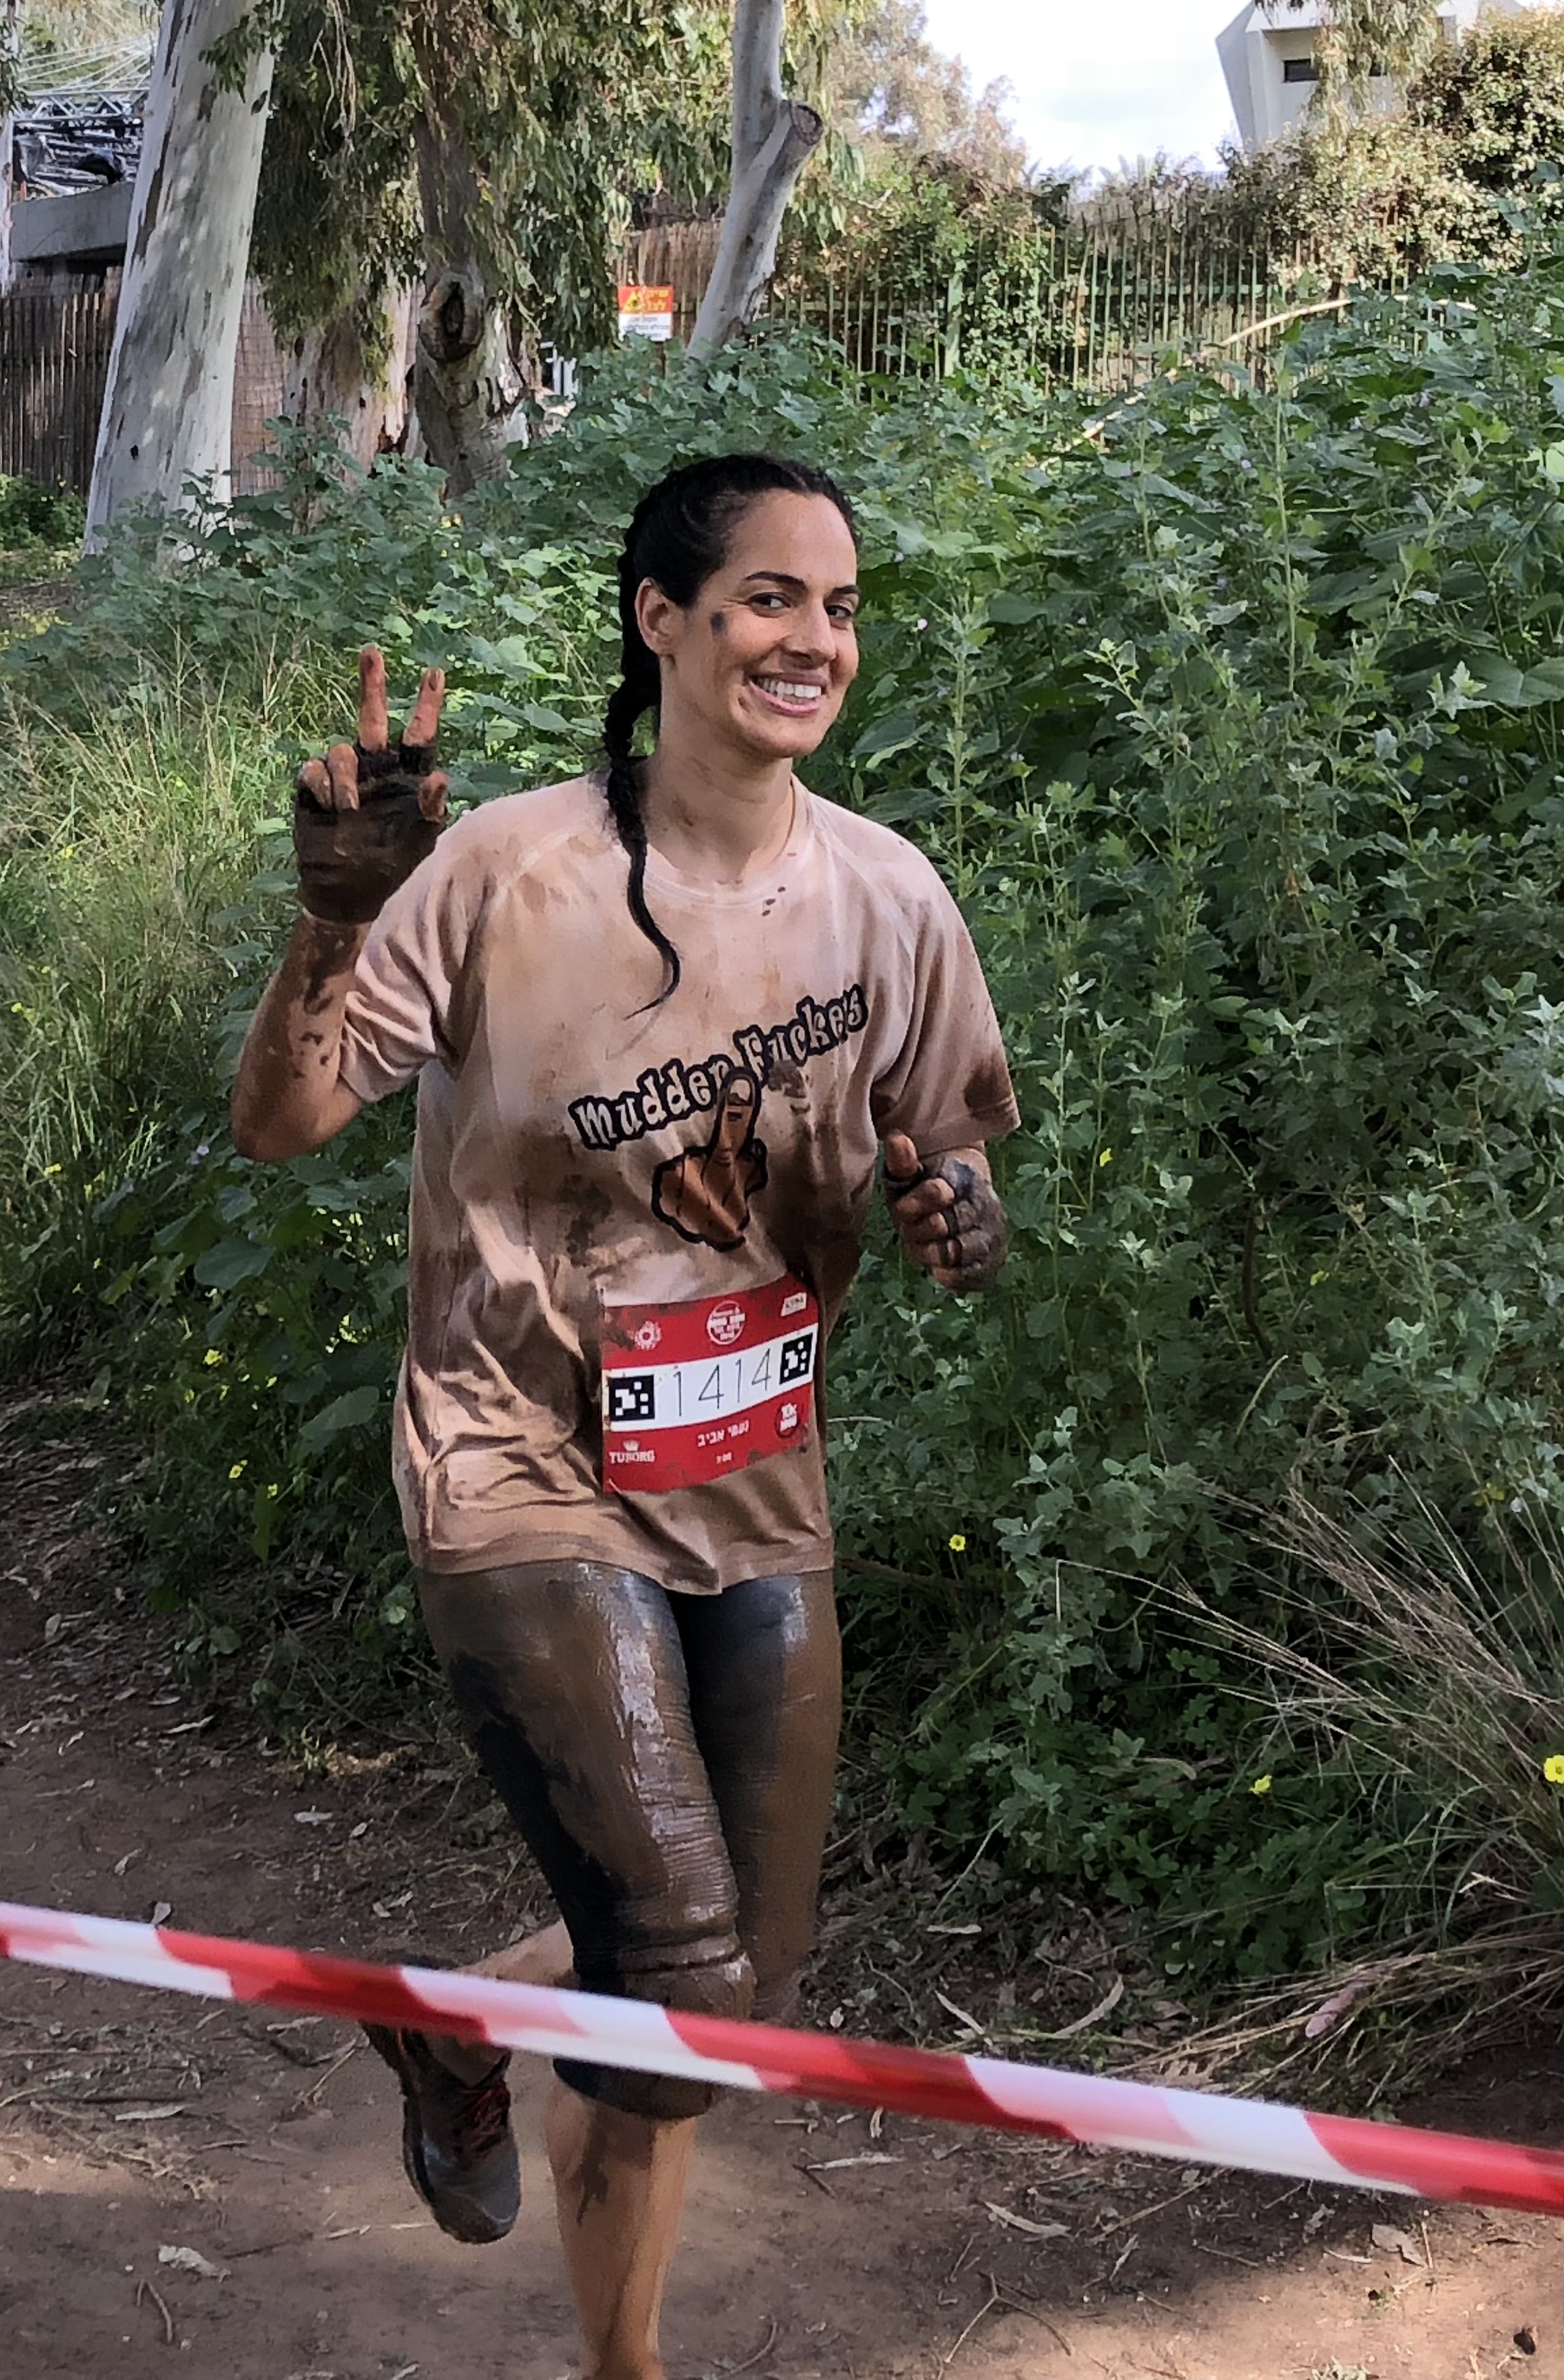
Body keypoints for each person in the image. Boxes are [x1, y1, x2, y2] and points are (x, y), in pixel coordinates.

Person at [228, 455, 1018, 2380]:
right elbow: (285, 1123)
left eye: (835, 606)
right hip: (518, 1463)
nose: (809, 640)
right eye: (765, 598)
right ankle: (624, 2368)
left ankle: (456, 2018)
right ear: (659, 622)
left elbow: (963, 1200)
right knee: (668, 1968)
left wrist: (952, 1213)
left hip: (758, 1473)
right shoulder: (508, 868)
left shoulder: (884, 897)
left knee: (740, 1993)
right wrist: (329, 923)